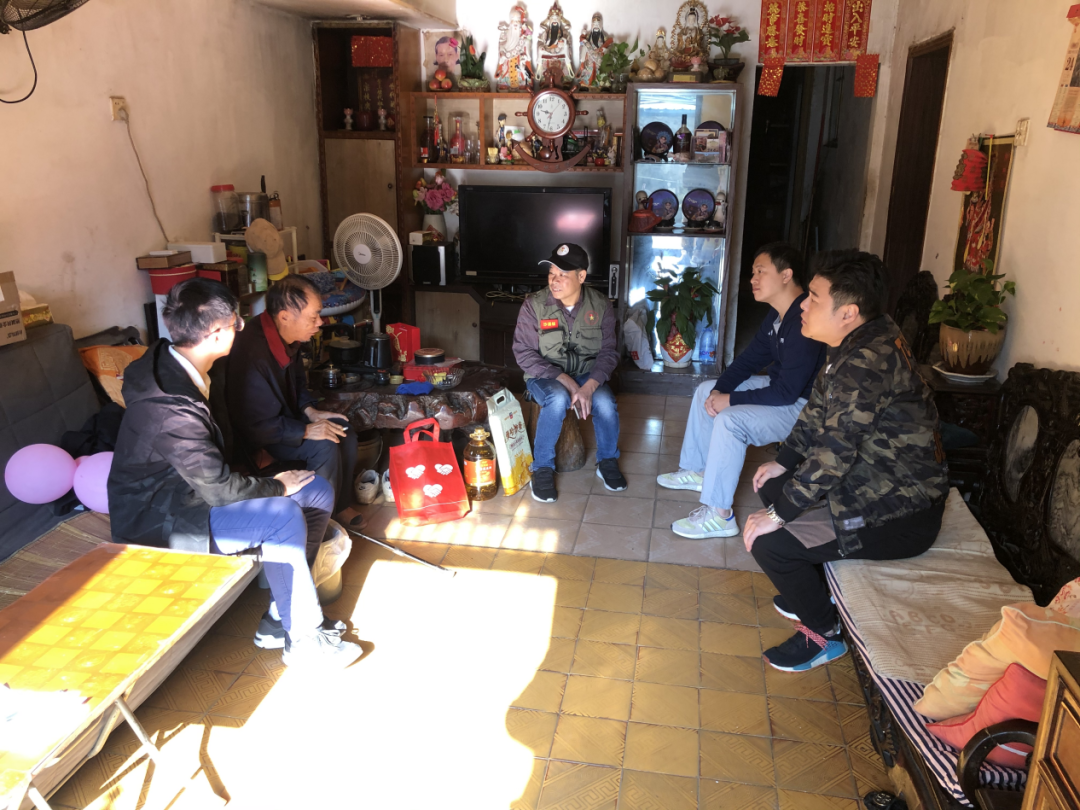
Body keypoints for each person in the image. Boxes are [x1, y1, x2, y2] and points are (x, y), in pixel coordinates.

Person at [107, 279, 363, 669]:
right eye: (235, 323)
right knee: (282, 514)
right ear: (214, 334)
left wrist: (281, 480)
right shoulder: (170, 407)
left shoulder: (186, 363)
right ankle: (305, 640)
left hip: (194, 493)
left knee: (316, 491)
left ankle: (279, 617)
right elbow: (219, 490)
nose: (241, 328)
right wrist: (276, 485)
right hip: (163, 516)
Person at [744, 250, 948, 672]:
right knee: (773, 483)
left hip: (898, 513)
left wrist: (777, 516)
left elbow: (834, 454)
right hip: (869, 483)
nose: (803, 304)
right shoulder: (857, 340)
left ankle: (825, 633)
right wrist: (784, 462)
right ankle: (811, 587)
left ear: (848, 312)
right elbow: (817, 412)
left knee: (769, 543)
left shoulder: (866, 363)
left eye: (814, 298)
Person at [660, 243, 825, 540]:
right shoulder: (777, 316)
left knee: (730, 420)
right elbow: (749, 361)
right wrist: (720, 391)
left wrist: (731, 400)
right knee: (705, 391)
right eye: (753, 272)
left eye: (760, 271)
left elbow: (787, 393)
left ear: (786, 275)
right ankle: (699, 471)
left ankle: (720, 516)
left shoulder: (802, 319)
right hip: (782, 392)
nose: (753, 279)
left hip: (803, 407)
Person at [225, 274, 363, 528]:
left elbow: (299, 383)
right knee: (324, 445)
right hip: (261, 433)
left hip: (285, 420)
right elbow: (257, 426)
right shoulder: (252, 353)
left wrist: (310, 411)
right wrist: (307, 431)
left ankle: (339, 505)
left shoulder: (289, 338)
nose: (320, 322)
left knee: (342, 430)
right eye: (314, 316)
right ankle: (317, 521)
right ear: (285, 316)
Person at [512, 242, 627, 503]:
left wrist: (589, 386)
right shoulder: (534, 305)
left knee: (605, 402)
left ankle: (607, 460)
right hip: (545, 377)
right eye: (551, 273)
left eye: (562, 274)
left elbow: (609, 352)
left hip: (587, 373)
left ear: (581, 276)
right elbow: (523, 352)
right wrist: (563, 379)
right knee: (558, 399)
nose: (554, 280)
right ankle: (542, 468)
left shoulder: (601, 305)